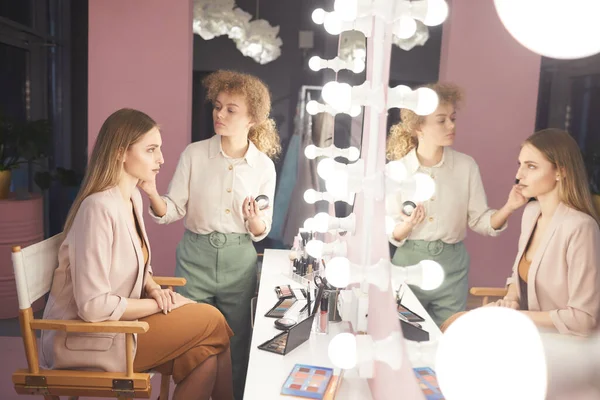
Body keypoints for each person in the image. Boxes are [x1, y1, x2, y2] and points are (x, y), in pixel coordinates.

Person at [41, 108, 234, 400]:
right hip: (85, 340)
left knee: (205, 354)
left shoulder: (130, 197)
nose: (161, 160)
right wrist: (157, 305)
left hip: (119, 328)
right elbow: (92, 306)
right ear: (121, 153)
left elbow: (139, 266)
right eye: (151, 150)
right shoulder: (98, 208)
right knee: (213, 319)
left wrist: (153, 288)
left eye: (159, 149)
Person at [143, 70, 280, 399]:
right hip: (194, 258)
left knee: (236, 342)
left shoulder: (263, 166)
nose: (219, 114)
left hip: (239, 261)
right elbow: (173, 209)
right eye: (217, 106)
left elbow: (262, 232)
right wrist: (151, 192)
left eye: (231, 109)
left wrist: (254, 220)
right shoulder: (194, 154)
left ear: (254, 118)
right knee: (191, 341)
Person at [385, 82, 527, 327]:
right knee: (402, 335)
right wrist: (406, 227)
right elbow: (389, 231)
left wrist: (509, 207)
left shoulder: (466, 166)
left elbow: (480, 221)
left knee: (447, 337)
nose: (451, 126)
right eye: (441, 120)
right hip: (407, 266)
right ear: (418, 126)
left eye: (452, 118)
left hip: (453, 269)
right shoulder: (397, 171)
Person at [441, 129, 600, 336]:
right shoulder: (531, 213)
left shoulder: (580, 227)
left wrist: (516, 316)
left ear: (561, 171)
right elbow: (519, 276)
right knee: (453, 325)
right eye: (520, 165)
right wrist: (511, 299)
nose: (519, 175)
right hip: (533, 331)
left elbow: (583, 318)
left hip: (568, 341)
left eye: (531, 167)